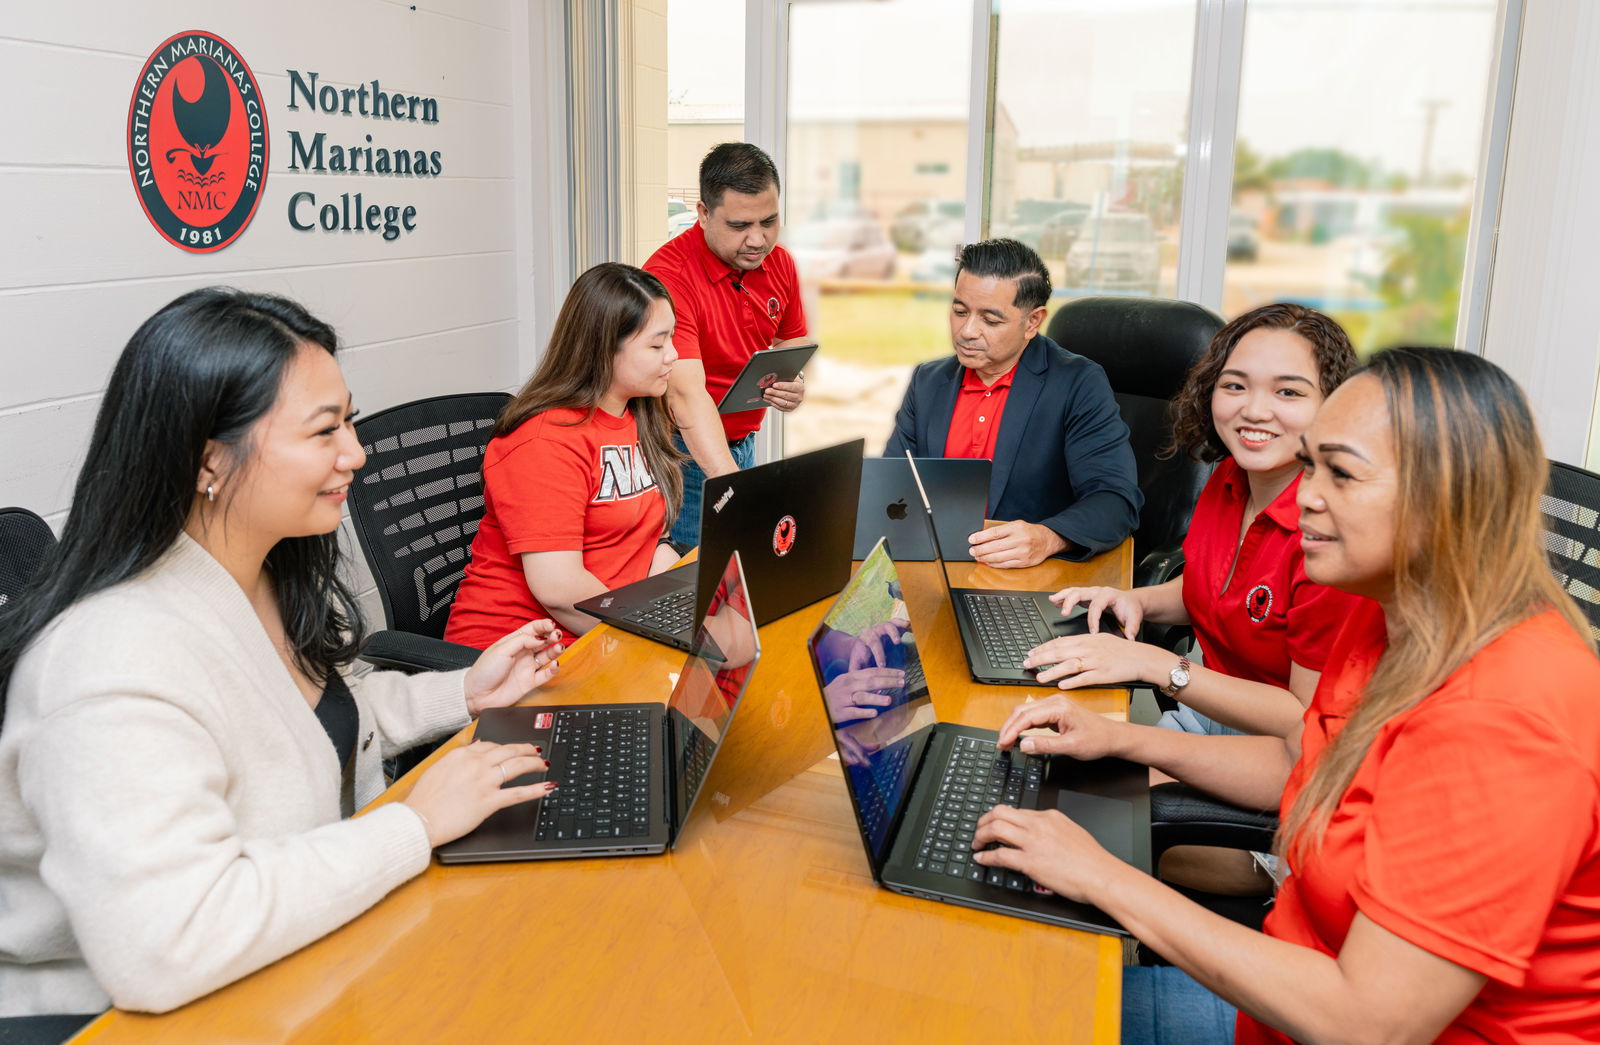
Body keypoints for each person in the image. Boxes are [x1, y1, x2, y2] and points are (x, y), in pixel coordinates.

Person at [974, 348, 1600, 1043]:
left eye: (1341, 472)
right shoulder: (1385, 610)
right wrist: (1120, 738)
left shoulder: (1505, 721)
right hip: (1278, 995)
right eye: (1309, 465)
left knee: (1012, 1009)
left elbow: (1368, 1023)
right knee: (1000, 986)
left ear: (1448, 499)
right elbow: (1298, 762)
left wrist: (1103, 876)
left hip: (1322, 1014)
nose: (1304, 494)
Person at [0, 288, 564, 1019]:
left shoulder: (260, 569)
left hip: (298, 950)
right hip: (123, 1016)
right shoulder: (107, 658)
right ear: (210, 459)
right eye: (324, 431)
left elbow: (299, 722)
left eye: (350, 421)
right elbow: (163, 944)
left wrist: (462, 694)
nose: (356, 454)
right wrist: (413, 824)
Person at [1027, 304, 1365, 741]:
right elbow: (1212, 594)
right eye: (1235, 385)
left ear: (1333, 405)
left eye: (1288, 393)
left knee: (1079, 791)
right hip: (1207, 713)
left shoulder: (1332, 536)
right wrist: (1135, 601)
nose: (1255, 411)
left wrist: (1156, 664)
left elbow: (1306, 722)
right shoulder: (1229, 478)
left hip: (1284, 751)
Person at [444, 263, 685, 649]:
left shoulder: (637, 413)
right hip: (522, 647)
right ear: (604, 350)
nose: (673, 355)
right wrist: (650, 638)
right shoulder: (545, 440)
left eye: (671, 338)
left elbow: (647, 537)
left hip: (605, 626)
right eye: (657, 345)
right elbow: (559, 589)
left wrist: (679, 600)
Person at [884, 238, 1140, 568]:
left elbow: (1115, 501)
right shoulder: (928, 381)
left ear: (1032, 322)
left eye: (990, 320)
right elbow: (892, 486)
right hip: (935, 564)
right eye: (960, 311)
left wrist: (1048, 537)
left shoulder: (1077, 383)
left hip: (1028, 576)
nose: (967, 331)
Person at [644, 142, 810, 547]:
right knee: (696, 573)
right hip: (682, 449)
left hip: (742, 440)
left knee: (739, 560)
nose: (758, 240)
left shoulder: (779, 262)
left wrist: (793, 381)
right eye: (739, 226)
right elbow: (685, 397)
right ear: (703, 214)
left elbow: (794, 338)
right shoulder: (668, 278)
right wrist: (735, 489)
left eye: (769, 221)